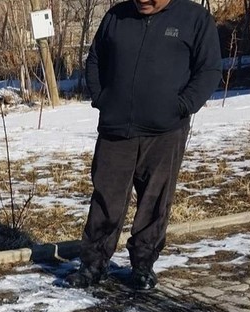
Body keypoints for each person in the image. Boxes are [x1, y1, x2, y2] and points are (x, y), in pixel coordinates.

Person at [65, 0, 222, 290]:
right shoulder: (116, 16)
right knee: (106, 198)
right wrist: (102, 98)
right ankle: (93, 264)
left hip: (165, 131)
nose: (143, 0)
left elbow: (209, 69)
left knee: (154, 201)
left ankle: (142, 265)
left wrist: (182, 105)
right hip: (116, 128)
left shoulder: (195, 18)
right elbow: (96, 58)